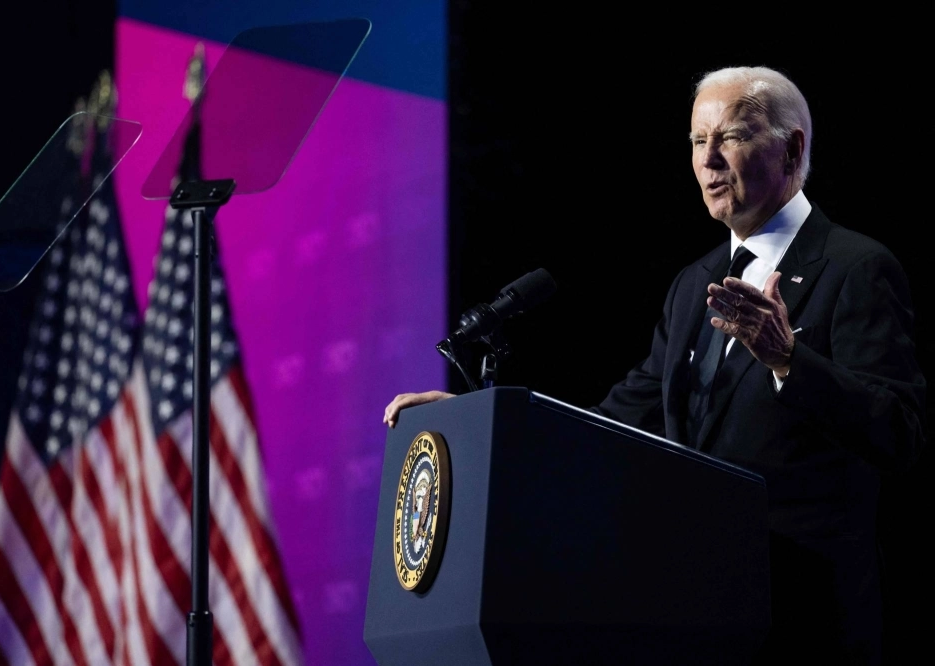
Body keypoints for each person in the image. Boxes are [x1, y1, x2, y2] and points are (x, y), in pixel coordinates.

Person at [383, 66, 927, 664]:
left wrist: (787, 359)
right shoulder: (693, 286)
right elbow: (618, 419)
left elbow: (897, 431)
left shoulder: (856, 267)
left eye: (733, 137)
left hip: (808, 621)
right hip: (697, 619)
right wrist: (481, 425)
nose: (710, 160)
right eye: (698, 141)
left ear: (792, 147)